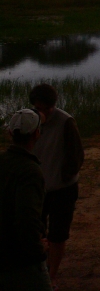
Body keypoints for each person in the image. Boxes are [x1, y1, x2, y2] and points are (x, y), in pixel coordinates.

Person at [29, 83, 84, 289]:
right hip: (38, 188)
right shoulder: (29, 121)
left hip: (63, 189)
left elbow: (77, 155)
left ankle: (52, 275)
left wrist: (65, 176)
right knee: (36, 232)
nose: (42, 113)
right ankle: (39, 270)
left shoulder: (65, 122)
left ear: (52, 105)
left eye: (46, 108)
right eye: (38, 108)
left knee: (58, 235)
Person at [0, 108, 52, 291]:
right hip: (23, 260)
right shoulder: (30, 171)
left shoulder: (3, 161)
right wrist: (38, 249)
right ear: (37, 133)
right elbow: (27, 219)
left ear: (10, 133)